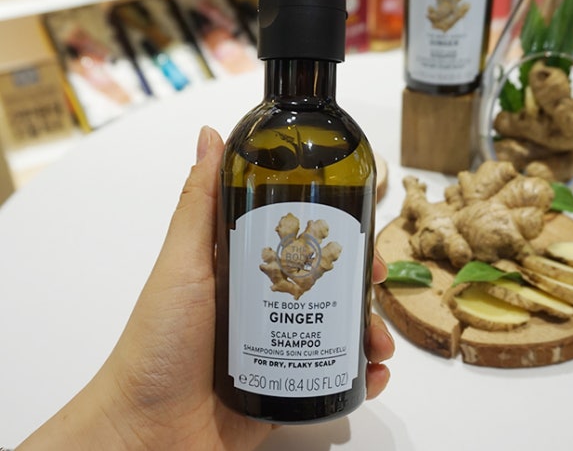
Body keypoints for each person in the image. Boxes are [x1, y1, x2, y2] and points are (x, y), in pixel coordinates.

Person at [16, 126, 394, 450]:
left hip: (311, 380)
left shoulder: (345, 143)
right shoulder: (254, 139)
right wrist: (133, 422)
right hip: (236, 388)